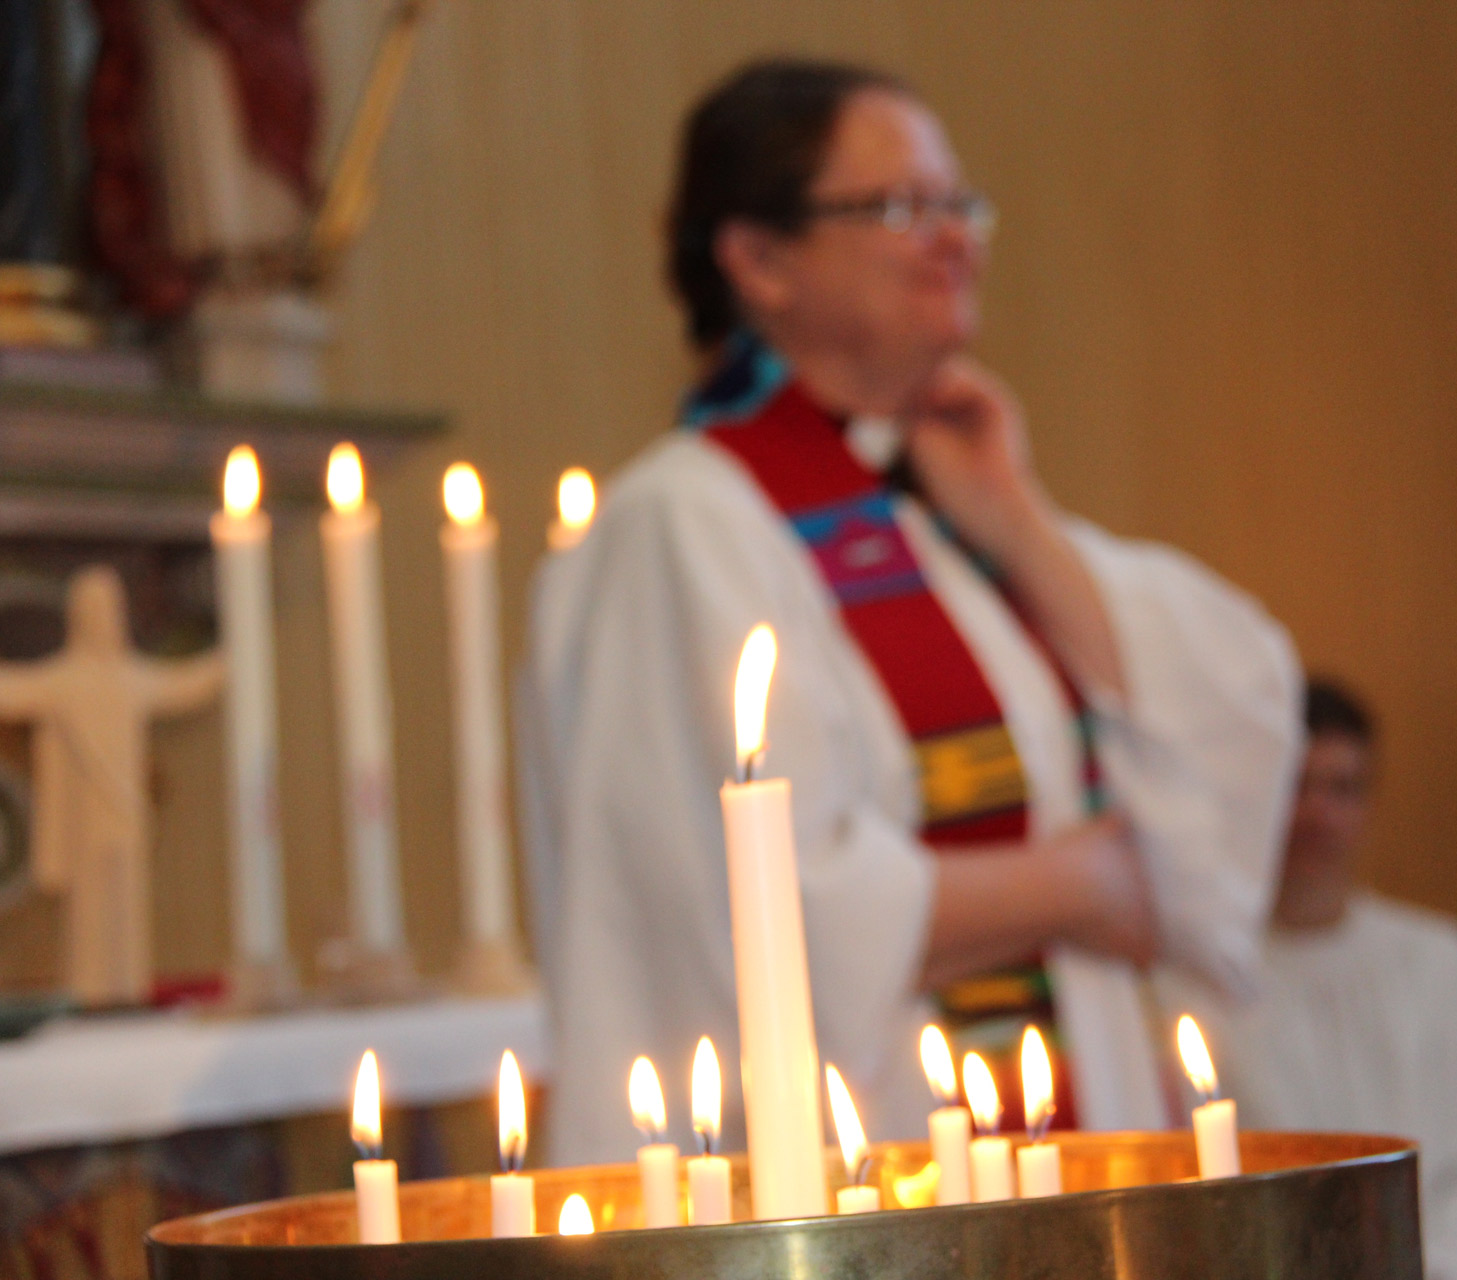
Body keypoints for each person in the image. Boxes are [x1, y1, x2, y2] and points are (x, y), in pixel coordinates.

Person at [521, 58, 1303, 1160]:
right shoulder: (680, 526)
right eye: (899, 208)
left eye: (959, 204)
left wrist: (1021, 522)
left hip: (1068, 1130)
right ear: (756, 258)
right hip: (864, 1165)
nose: (954, 238)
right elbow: (740, 903)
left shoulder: (946, 512)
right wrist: (1084, 880)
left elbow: (1231, 712)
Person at [1157, 679, 1457, 1280]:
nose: (1319, 814)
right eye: (1297, 787)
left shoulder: (1442, 963)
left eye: (1343, 788)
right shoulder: (1197, 978)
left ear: (1369, 803)